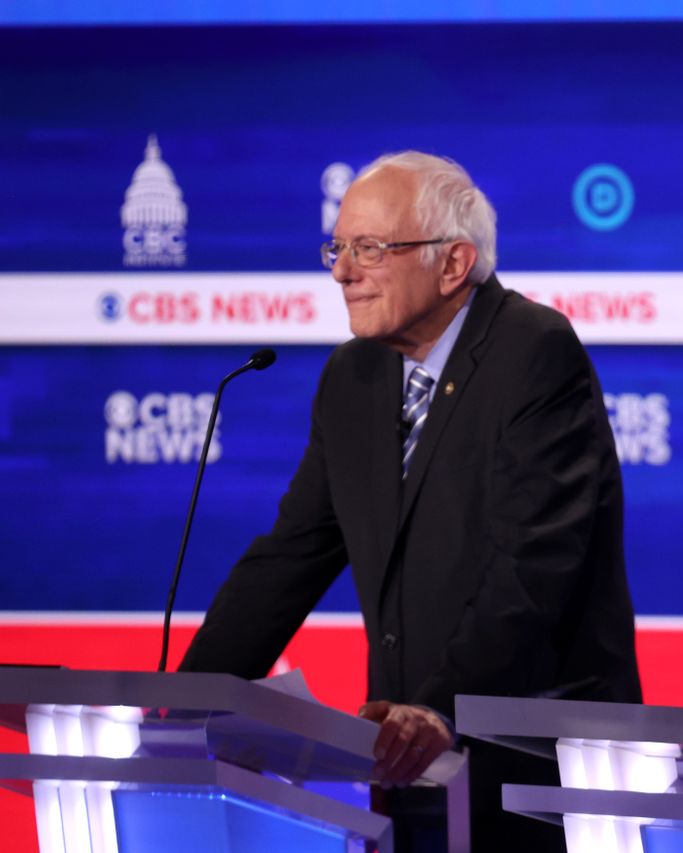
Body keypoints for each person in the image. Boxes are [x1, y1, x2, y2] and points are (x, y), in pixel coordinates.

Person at [180, 151, 642, 852]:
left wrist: (438, 705)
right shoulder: (353, 375)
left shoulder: (534, 351)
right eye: (337, 247)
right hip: (409, 765)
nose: (341, 270)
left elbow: (534, 564)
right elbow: (290, 557)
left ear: (453, 264)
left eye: (369, 248)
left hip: (539, 772)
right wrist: (184, 701)